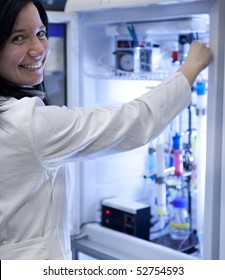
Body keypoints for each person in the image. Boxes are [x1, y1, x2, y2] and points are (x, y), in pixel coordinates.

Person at [0, 0, 212, 260]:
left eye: (41, 33)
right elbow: (133, 121)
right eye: (18, 38)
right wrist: (191, 67)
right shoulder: (25, 124)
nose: (38, 49)